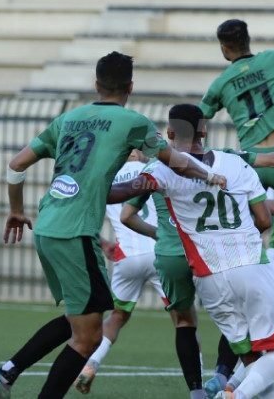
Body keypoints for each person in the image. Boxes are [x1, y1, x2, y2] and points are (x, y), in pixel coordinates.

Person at [0, 52, 226, 399]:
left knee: (81, 320)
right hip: (75, 232)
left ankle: (6, 374)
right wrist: (209, 175)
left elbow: (16, 165)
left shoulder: (68, 119)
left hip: (47, 225)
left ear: (96, 84)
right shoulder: (133, 122)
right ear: (130, 87)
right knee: (89, 336)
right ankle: (16, 380)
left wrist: (17, 210)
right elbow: (178, 162)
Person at [109, 104, 274, 399]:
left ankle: (235, 393)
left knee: (250, 357)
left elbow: (121, 192)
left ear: (170, 133)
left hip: (209, 278)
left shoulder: (159, 170)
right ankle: (235, 396)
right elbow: (263, 220)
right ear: (204, 131)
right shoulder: (234, 162)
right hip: (250, 266)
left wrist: (87, 182)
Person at [74, 150, 170, 394]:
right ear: (137, 151)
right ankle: (200, 384)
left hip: (127, 257)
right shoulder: (154, 170)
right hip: (161, 251)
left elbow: (82, 215)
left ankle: (92, 363)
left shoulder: (106, 177)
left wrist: (103, 242)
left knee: (117, 316)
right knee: (184, 321)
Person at [199, 18, 274, 194]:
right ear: (248, 39)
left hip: (252, 162)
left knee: (257, 212)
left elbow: (196, 119)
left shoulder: (220, 84)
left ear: (224, 48)